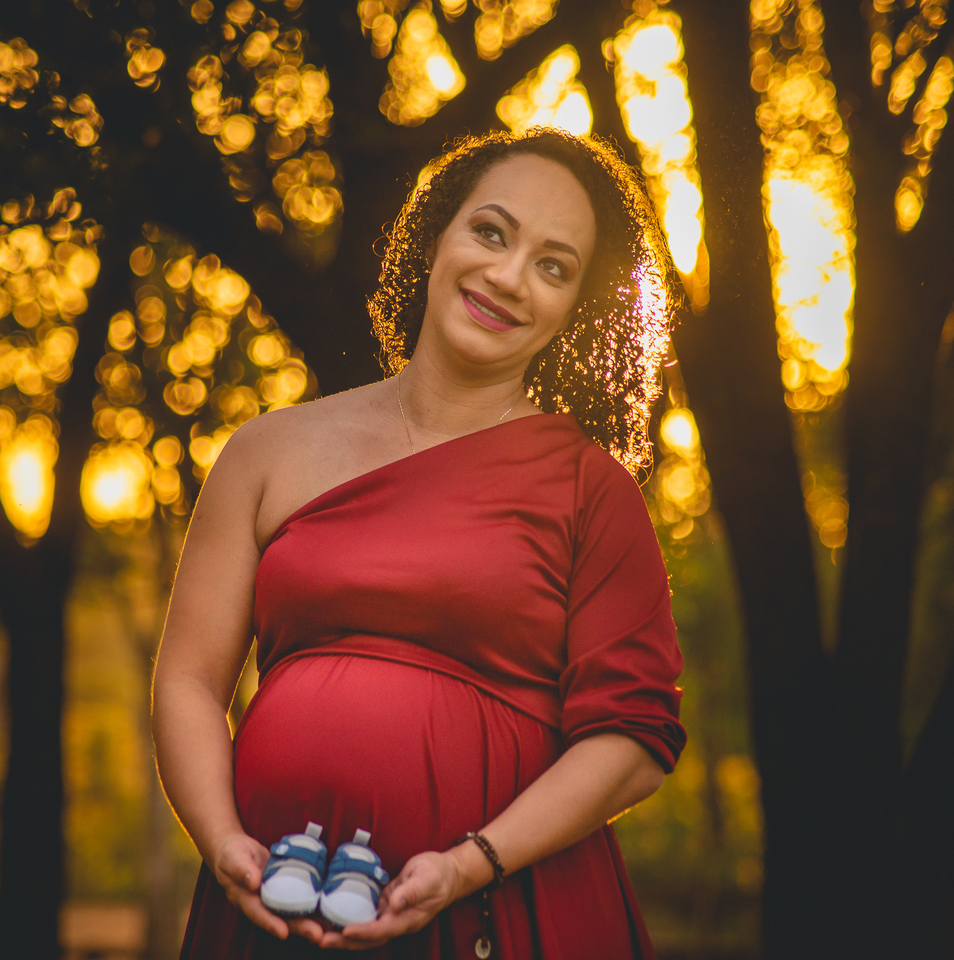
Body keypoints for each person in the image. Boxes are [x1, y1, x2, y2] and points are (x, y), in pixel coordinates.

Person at [152, 126, 687, 959]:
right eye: (491, 232)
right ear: (437, 234)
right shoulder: (267, 452)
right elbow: (188, 679)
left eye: (553, 266)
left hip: (501, 914)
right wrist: (221, 840)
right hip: (268, 901)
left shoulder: (594, 493)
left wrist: (475, 864)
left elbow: (633, 743)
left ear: (576, 306)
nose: (508, 277)